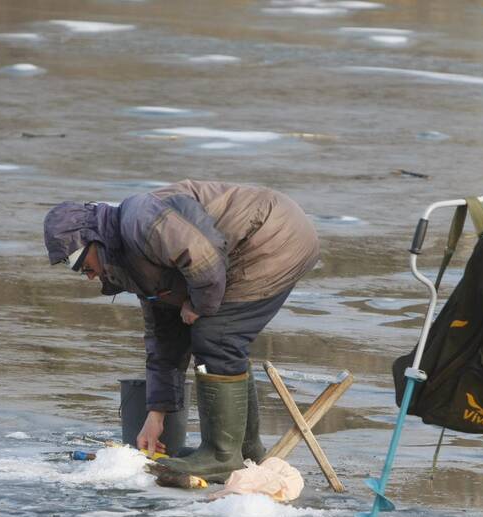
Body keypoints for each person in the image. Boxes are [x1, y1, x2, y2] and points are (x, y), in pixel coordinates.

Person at [44, 180, 320, 482]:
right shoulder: (128, 263)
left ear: (92, 240)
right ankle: (243, 450)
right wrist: (156, 415)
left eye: (80, 265)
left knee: (217, 336)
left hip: (273, 235)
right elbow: (164, 339)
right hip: (253, 244)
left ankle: (222, 455)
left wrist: (198, 305)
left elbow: (204, 256)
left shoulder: (140, 221)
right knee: (218, 338)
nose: (87, 276)